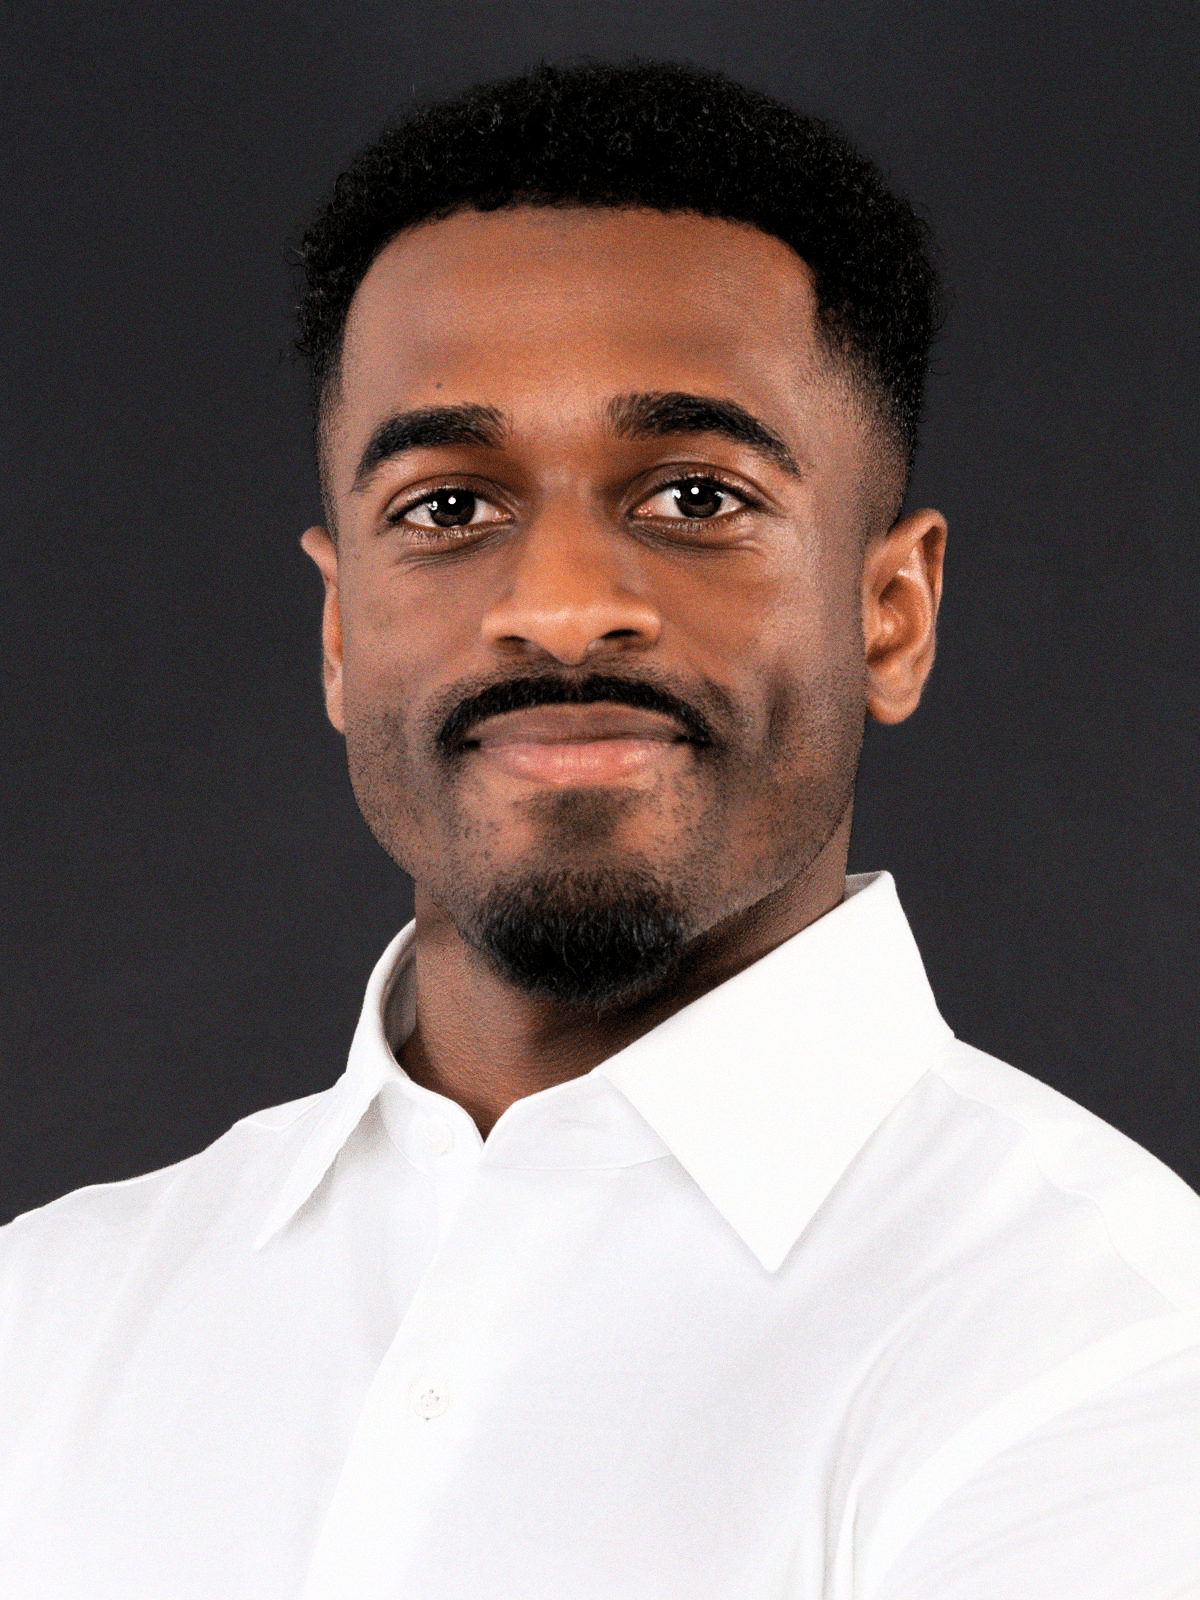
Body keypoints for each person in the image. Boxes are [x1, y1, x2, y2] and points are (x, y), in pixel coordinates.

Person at [2, 58, 1197, 1600]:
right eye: (447, 508)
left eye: (695, 495)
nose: (560, 602)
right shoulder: (46, 1319)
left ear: (891, 615)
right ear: (338, 635)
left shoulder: (1111, 1336)